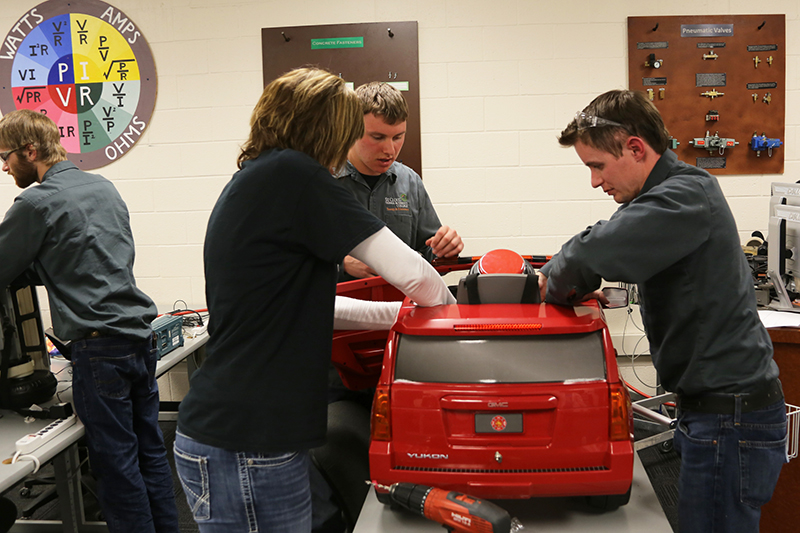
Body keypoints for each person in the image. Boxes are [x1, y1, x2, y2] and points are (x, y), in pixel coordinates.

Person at [174, 68, 454, 533]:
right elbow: (420, 279)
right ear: (331, 129)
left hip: (238, 432)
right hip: (246, 440)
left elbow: (321, 309)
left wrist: (401, 317)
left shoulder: (262, 177)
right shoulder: (295, 176)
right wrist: (458, 319)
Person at [538, 89, 786, 532]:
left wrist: (549, 282)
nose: (595, 181)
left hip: (729, 419)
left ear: (636, 147)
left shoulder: (685, 196)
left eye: (597, 165)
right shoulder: (664, 197)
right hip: (716, 412)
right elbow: (601, 242)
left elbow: (592, 253)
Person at [0, 109, 178, 533]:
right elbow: (86, 257)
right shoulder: (102, 186)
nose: (5, 168)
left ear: (30, 150)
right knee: (149, 452)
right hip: (138, 339)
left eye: (6, 157)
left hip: (99, 351)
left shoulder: (36, 202)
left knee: (116, 465)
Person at [336, 81, 463, 280]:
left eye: (398, 137)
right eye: (377, 137)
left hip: (400, 307)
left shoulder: (410, 181)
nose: (390, 150)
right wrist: (341, 263)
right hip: (337, 307)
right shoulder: (321, 179)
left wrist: (445, 250)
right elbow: (292, 253)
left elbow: (429, 255)